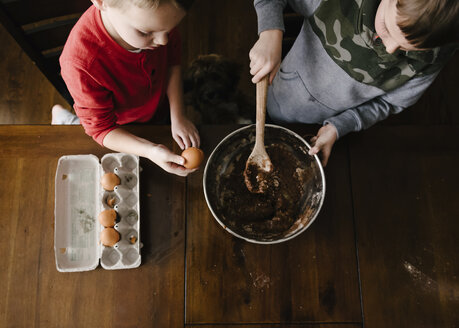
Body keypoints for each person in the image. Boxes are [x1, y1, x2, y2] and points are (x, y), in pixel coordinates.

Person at [249, 0, 458, 166]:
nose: (390, 48)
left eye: (408, 50)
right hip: (282, 93)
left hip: (324, 124)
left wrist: (339, 126)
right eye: (386, 28)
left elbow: (391, 103)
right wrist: (270, 33)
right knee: (272, 115)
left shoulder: (434, 57)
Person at [52, 0, 200, 176]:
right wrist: (150, 151)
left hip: (156, 106)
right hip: (121, 126)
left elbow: (172, 63)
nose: (163, 40)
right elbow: (102, 129)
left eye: (168, 30)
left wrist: (178, 115)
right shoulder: (81, 65)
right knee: (85, 127)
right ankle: (66, 119)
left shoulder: (158, 20)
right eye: (146, 32)